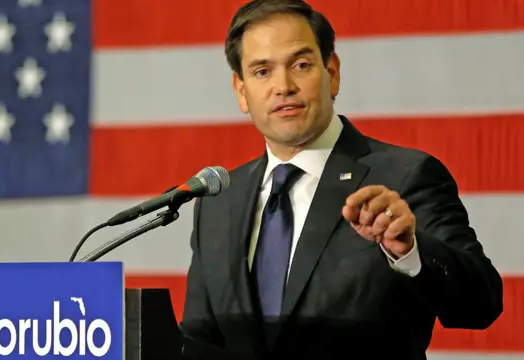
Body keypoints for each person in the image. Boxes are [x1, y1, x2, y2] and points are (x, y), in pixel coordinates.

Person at [179, 0, 504, 359]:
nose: (283, 86)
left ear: (332, 72)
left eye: (301, 65)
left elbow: (481, 305)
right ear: (241, 91)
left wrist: (411, 250)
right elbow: (199, 341)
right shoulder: (218, 201)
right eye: (262, 72)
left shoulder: (406, 176)